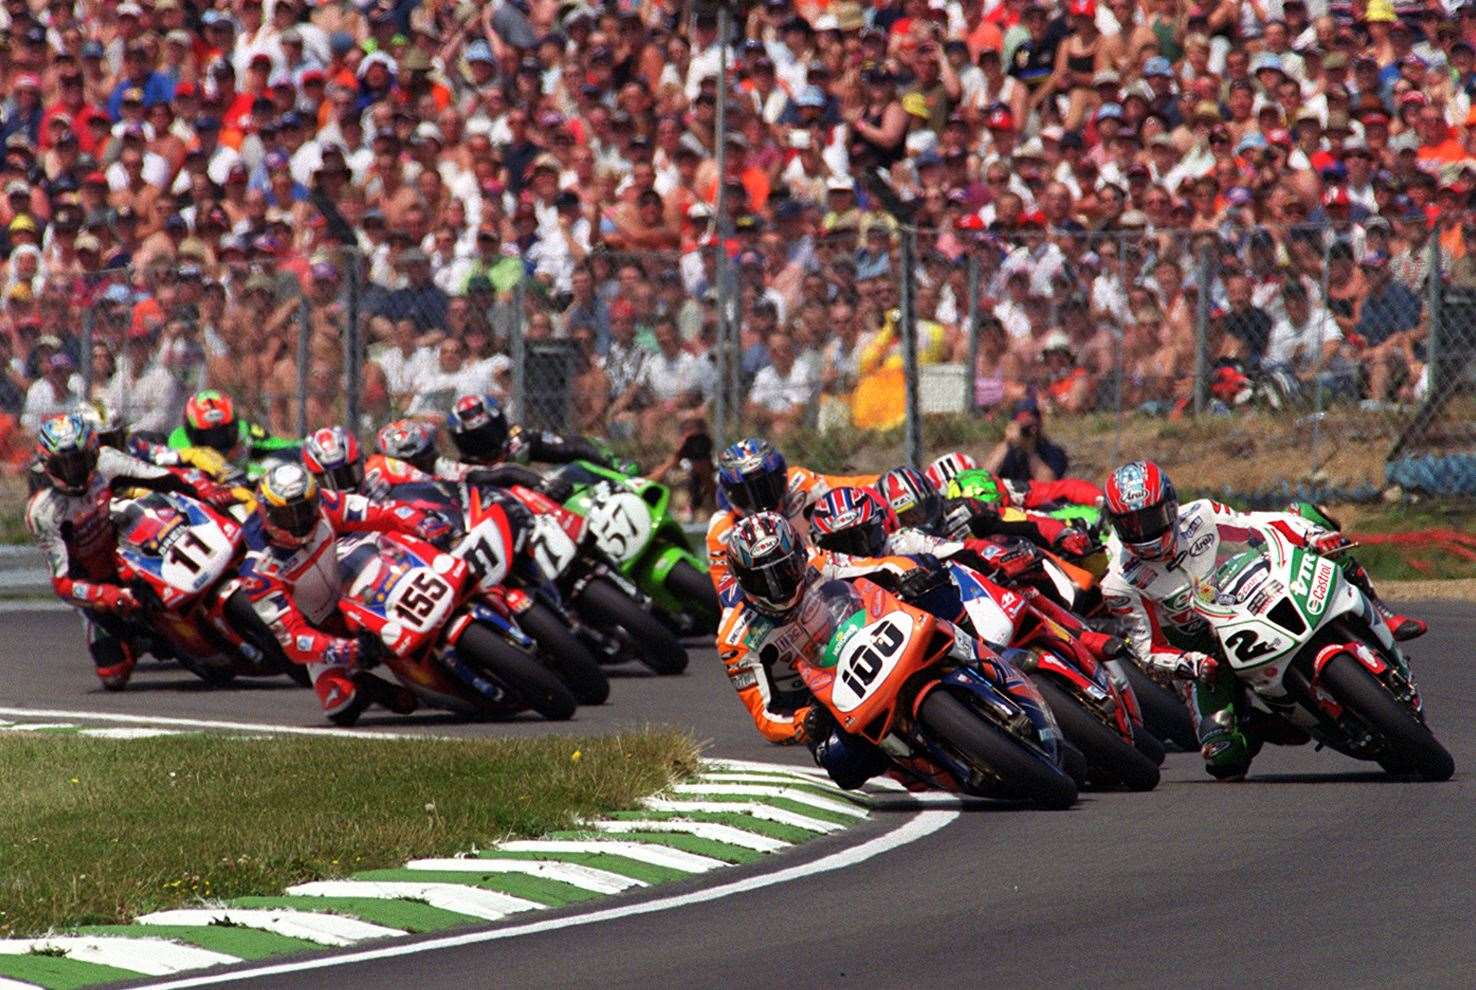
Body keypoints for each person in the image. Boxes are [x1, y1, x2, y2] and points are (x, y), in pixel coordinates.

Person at [1099, 460, 1425, 781]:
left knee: (1321, 535)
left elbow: (1261, 526)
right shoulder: (1120, 582)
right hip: (1207, 652)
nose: (1143, 533)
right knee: (1223, 759)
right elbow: (1146, 649)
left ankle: (1381, 612)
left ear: (1170, 507)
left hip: (1256, 592)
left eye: (1150, 519)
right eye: (1130, 525)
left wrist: (1313, 537)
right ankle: (1259, 722)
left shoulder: (1201, 514)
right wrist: (1192, 664)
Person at [717, 511, 955, 788]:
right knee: (842, 762)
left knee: (932, 585)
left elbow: (877, 565)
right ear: (742, 581)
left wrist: (909, 574)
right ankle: (910, 766)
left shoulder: (816, 561)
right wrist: (804, 721)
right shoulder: (735, 637)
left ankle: (986, 651)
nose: (776, 587)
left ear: (798, 556)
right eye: (762, 580)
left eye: (783, 570)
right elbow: (765, 718)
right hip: (819, 698)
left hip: (861, 636)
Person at [26, 413, 236, 690]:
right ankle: (137, 639)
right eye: (63, 465)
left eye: (79, 460)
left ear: (93, 452)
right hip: (95, 582)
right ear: (47, 466)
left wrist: (204, 487)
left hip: (127, 549)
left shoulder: (108, 461)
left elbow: (163, 477)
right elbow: (63, 583)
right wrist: (107, 595)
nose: (74, 471)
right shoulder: (43, 513)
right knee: (113, 675)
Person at [240, 462, 452, 725]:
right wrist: (350, 650)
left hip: (357, 585)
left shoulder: (326, 505)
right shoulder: (258, 572)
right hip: (324, 625)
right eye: (287, 517)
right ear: (267, 515)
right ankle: (369, 686)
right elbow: (294, 639)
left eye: (305, 509)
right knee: (340, 707)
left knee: (405, 543)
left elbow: (382, 512)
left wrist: (423, 523)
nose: (300, 521)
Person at [706, 437, 876, 596]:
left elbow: (857, 487)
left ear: (782, 476)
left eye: (766, 486)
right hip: (776, 604)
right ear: (730, 495)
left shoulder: (801, 481)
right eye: (746, 494)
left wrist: (890, 481)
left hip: (832, 582)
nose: (760, 501)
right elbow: (727, 593)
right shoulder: (722, 532)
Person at [166, 390, 299, 480]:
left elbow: (279, 444)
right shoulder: (178, 441)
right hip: (198, 496)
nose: (217, 440)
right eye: (208, 436)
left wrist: (310, 444)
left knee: (272, 464)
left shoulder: (244, 429)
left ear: (234, 425)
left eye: (224, 432)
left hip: (242, 487)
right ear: (191, 431)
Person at [983, 399, 1068, 483]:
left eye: (1033, 426)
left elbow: (1049, 483)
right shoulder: (1007, 451)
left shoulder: (1053, 452)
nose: (1031, 431)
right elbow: (983, 478)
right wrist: (1007, 442)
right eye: (1025, 427)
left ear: (1040, 424)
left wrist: (1029, 452)